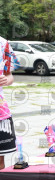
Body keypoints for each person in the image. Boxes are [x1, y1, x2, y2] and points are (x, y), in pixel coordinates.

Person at [0, 37, 18, 169]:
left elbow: (9, 75)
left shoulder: (3, 44)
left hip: (1, 112)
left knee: (0, 161)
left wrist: (6, 80)